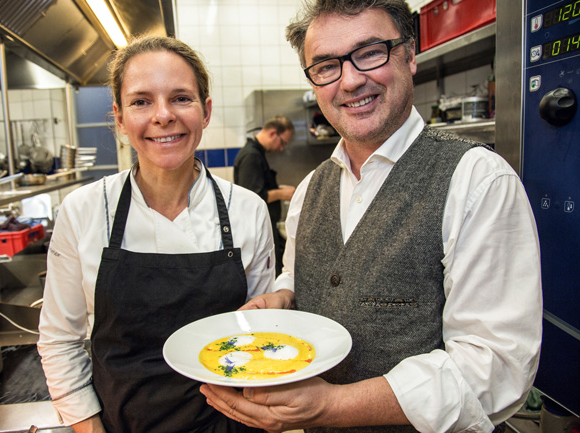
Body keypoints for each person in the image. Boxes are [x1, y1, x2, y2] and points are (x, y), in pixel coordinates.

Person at [200, 1, 543, 432]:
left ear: (409, 54)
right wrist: (283, 298)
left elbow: (495, 368)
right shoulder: (310, 189)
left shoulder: (477, 180)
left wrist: (331, 406)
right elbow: (298, 276)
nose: (350, 80)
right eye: (326, 65)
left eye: (369, 52)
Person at [38, 35, 293, 433]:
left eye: (181, 98)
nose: (163, 115)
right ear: (120, 118)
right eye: (141, 101)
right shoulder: (84, 211)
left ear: (205, 112)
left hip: (230, 425)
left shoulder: (248, 210)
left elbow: (257, 336)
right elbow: (59, 340)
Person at [233, 116, 296, 276]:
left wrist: (278, 188)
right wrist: (282, 193)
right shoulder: (251, 156)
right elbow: (254, 195)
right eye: (282, 142)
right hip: (257, 231)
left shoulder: (256, 153)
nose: (281, 148)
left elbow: (258, 186)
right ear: (273, 133)